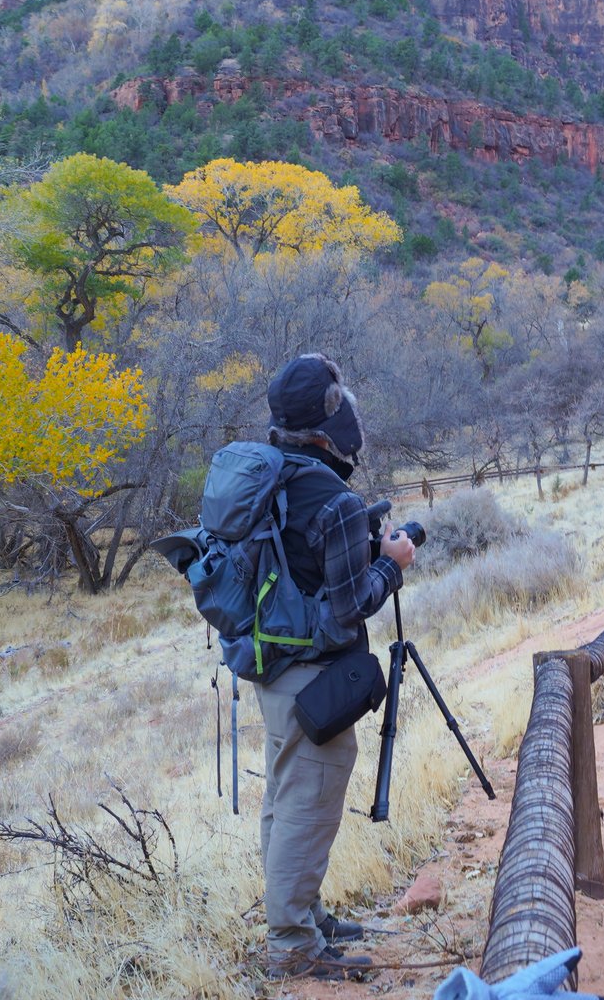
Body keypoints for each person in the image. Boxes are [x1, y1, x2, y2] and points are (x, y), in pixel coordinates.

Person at [254, 352, 417, 982]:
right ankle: (292, 946)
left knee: (285, 798)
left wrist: (364, 551)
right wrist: (393, 561)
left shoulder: (274, 474)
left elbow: (304, 565)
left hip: (271, 663)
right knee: (307, 805)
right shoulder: (335, 497)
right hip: (313, 674)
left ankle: (306, 917)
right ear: (327, 424)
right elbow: (352, 607)